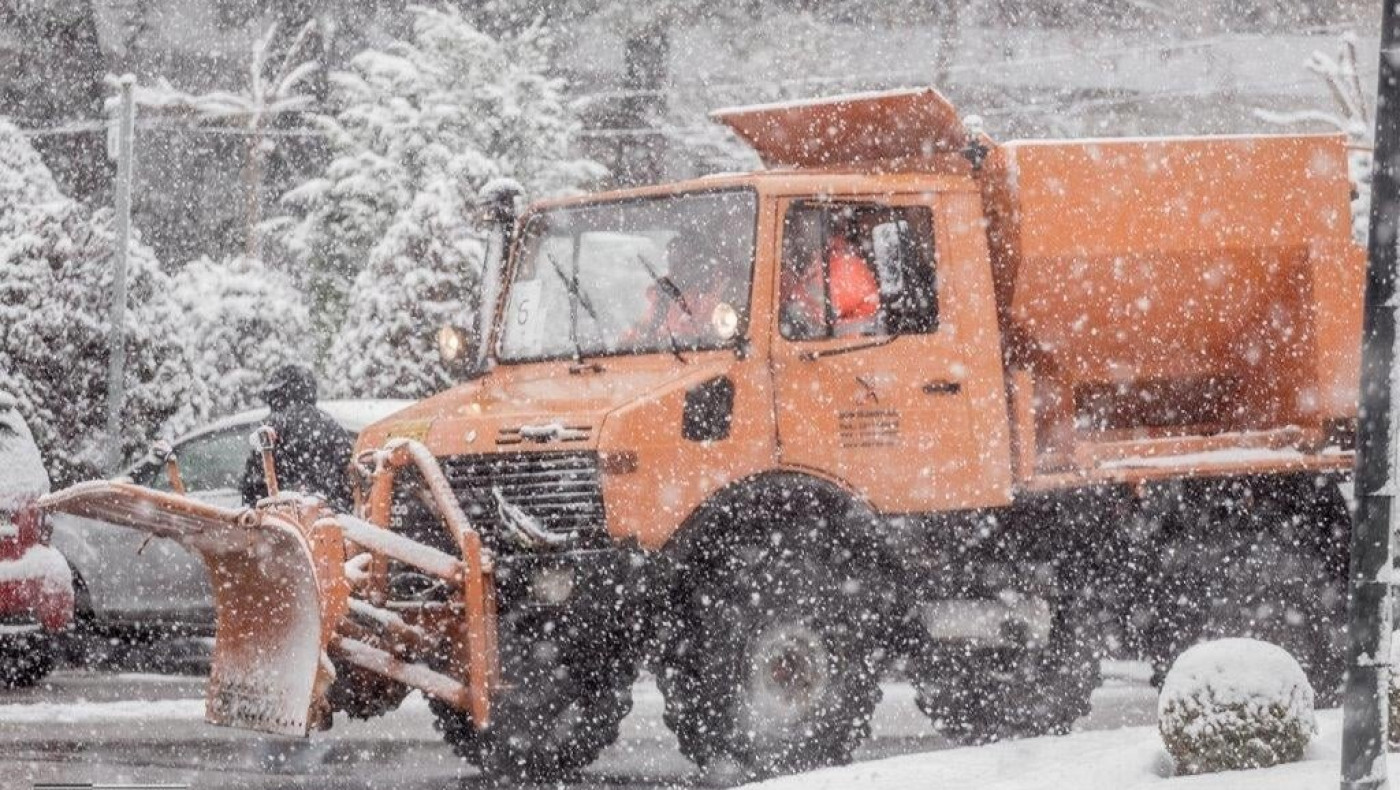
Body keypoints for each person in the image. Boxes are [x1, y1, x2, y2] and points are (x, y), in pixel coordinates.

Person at [239, 365, 354, 511]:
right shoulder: (333, 427)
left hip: (282, 517)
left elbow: (254, 487)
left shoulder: (272, 427)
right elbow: (347, 482)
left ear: (279, 394)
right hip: (329, 517)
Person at [781, 221, 880, 338]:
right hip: (845, 334)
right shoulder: (830, 260)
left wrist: (796, 300)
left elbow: (827, 310)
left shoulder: (843, 265)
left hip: (848, 339)